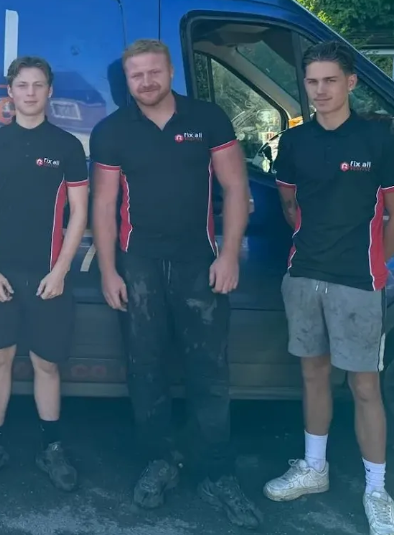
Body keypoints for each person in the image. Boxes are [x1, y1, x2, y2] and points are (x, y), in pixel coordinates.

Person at [89, 39, 262, 530]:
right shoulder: (112, 131)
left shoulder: (207, 119)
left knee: (209, 372)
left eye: (153, 72)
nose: (146, 82)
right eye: (136, 75)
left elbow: (236, 187)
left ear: (169, 73)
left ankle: (216, 472)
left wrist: (228, 255)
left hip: (199, 264)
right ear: (127, 81)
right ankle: (158, 461)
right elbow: (103, 205)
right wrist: (108, 270)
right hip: (138, 265)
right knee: (145, 370)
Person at [264, 41, 394, 535]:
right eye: (312, 82)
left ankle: (377, 491)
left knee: (364, 386)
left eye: (330, 80)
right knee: (313, 375)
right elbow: (290, 205)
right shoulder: (294, 143)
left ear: (350, 82)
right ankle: (315, 468)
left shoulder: (379, 142)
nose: (321, 90)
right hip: (305, 275)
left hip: (359, 281)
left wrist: (370, 262)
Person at [0, 56, 90, 491]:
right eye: (23, 85)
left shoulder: (68, 146)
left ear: (50, 91)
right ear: (11, 92)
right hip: (0, 274)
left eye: (39, 85)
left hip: (48, 276)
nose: (31, 92)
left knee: (46, 364)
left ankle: (51, 447)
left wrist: (60, 271)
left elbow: (79, 214)